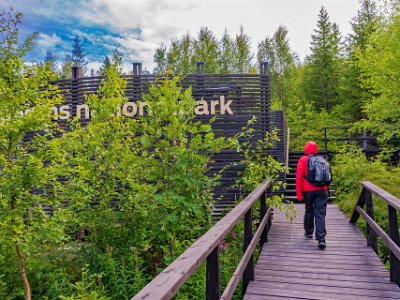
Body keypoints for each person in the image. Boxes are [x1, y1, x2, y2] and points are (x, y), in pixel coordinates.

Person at [296, 141, 329, 249]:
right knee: (320, 213)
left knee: (309, 210)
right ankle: (321, 239)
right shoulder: (321, 159)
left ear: (306, 149)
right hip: (322, 190)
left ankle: (309, 232)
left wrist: (299, 194)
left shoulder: (303, 159)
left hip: (308, 191)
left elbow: (299, 178)